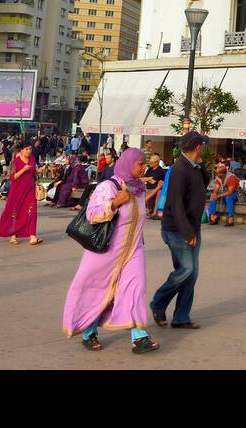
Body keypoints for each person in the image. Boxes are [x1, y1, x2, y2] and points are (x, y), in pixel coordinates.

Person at [63, 148, 159, 354]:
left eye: (144, 163)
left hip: (134, 250)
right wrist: (115, 202)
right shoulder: (109, 186)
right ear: (128, 164)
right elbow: (92, 214)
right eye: (140, 164)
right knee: (98, 291)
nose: (144, 167)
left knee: (135, 289)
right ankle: (89, 332)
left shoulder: (139, 187)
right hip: (106, 251)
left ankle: (139, 337)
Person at [150, 132, 207, 331]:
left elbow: (203, 184)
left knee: (190, 275)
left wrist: (201, 164)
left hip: (192, 228)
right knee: (187, 269)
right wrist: (187, 233)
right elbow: (175, 203)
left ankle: (181, 316)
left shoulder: (195, 167)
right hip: (177, 230)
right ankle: (158, 302)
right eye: (203, 146)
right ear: (198, 147)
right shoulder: (179, 169)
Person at [0, 140, 42, 246]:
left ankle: (32, 236)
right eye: (26, 149)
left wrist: (38, 171)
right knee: (15, 212)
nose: (29, 151)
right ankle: (13, 235)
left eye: (30, 149)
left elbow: (33, 172)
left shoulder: (32, 159)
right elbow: (12, 177)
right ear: (21, 150)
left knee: (32, 212)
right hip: (17, 191)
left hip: (30, 189)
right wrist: (24, 169)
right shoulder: (15, 162)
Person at [207, 162, 241, 226]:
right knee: (213, 196)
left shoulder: (231, 177)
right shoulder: (218, 178)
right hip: (225, 192)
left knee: (228, 197)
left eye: (217, 173)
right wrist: (215, 194)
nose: (216, 175)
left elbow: (230, 192)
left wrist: (219, 195)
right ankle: (213, 216)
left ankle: (231, 218)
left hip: (236, 194)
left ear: (222, 173)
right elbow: (216, 189)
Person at [144, 152, 167, 218]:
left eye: (152, 162)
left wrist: (147, 179)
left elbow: (153, 182)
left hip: (156, 189)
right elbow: (142, 178)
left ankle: (154, 212)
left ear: (157, 162)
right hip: (149, 188)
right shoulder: (150, 169)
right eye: (150, 162)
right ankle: (149, 210)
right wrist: (149, 178)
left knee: (157, 192)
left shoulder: (160, 170)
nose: (150, 163)